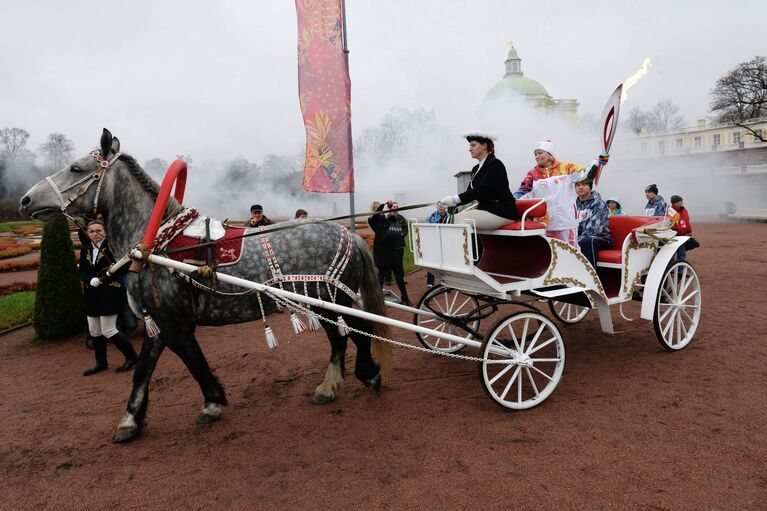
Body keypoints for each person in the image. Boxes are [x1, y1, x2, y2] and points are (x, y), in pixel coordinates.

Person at [515, 140, 608, 244]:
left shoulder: (566, 168)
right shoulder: (533, 174)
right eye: (535, 154)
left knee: (571, 251)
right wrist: (510, 200)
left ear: (550, 154)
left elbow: (586, 174)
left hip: (566, 222)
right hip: (545, 224)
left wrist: (597, 163)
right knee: (549, 253)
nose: (537, 156)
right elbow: (522, 192)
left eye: (540, 153)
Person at [79, 220, 138, 376]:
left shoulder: (112, 247)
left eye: (98, 231)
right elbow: (82, 271)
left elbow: (123, 267)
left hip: (109, 292)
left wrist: (103, 278)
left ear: (105, 232)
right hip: (91, 293)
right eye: (91, 231)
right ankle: (101, 363)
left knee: (109, 330)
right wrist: (90, 280)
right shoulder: (85, 249)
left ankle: (132, 358)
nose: (94, 234)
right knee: (94, 330)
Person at [439, 132, 516, 230]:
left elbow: (483, 189)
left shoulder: (495, 164)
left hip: (502, 212)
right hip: (486, 210)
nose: (470, 149)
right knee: (452, 219)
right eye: (470, 145)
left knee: (458, 219)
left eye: (473, 145)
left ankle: (468, 246)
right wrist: (450, 203)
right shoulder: (475, 169)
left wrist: (455, 199)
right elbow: (469, 194)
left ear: (484, 145)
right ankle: (475, 245)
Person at [368, 200, 411, 305]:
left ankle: (405, 298)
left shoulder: (384, 218)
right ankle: (378, 300)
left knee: (398, 275)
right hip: (381, 251)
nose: (380, 211)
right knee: (381, 276)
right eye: (377, 208)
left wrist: (390, 206)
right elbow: (376, 216)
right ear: (374, 210)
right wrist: (382, 205)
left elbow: (393, 216)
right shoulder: (372, 220)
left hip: (392, 250)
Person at [575, 180, 612, 269]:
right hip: (580, 237)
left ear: (590, 187)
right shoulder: (573, 204)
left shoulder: (599, 204)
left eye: (584, 184)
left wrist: (575, 239)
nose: (580, 187)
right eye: (578, 185)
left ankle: (590, 278)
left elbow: (595, 229)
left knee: (587, 241)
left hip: (601, 238)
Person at [425, 203, 449, 287]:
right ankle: (430, 282)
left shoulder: (450, 216)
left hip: (446, 242)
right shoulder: (432, 217)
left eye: (442, 206)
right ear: (437, 207)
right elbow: (427, 229)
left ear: (445, 207)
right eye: (439, 206)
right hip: (434, 242)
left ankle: (446, 282)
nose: (441, 207)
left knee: (446, 263)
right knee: (432, 262)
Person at [670, 195, 693, 261]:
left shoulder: (684, 210)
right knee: (671, 255)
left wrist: (688, 231)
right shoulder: (671, 212)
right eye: (680, 201)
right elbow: (672, 225)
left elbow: (687, 222)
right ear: (675, 203)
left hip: (683, 236)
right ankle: (671, 270)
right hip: (674, 237)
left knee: (682, 255)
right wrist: (682, 232)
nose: (682, 202)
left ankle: (680, 271)